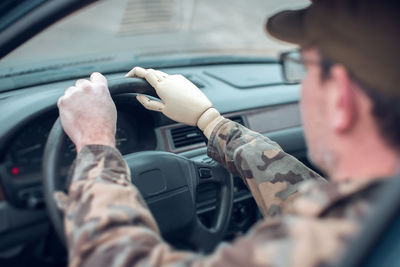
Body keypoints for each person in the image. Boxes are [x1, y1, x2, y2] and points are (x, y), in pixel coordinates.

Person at [56, 0, 400, 266]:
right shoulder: (375, 212)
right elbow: (303, 198)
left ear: (340, 98)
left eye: (303, 66)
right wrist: (210, 122)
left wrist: (95, 144)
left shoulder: (330, 245)